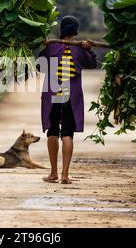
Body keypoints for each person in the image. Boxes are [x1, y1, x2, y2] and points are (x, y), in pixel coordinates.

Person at [38, 16, 97, 184]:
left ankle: (53, 173)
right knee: (67, 133)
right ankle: (65, 175)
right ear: (75, 31)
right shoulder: (80, 49)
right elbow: (93, 64)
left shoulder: (52, 47)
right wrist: (89, 49)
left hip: (53, 94)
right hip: (71, 96)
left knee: (53, 131)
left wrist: (46, 48)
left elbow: (39, 66)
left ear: (61, 29)